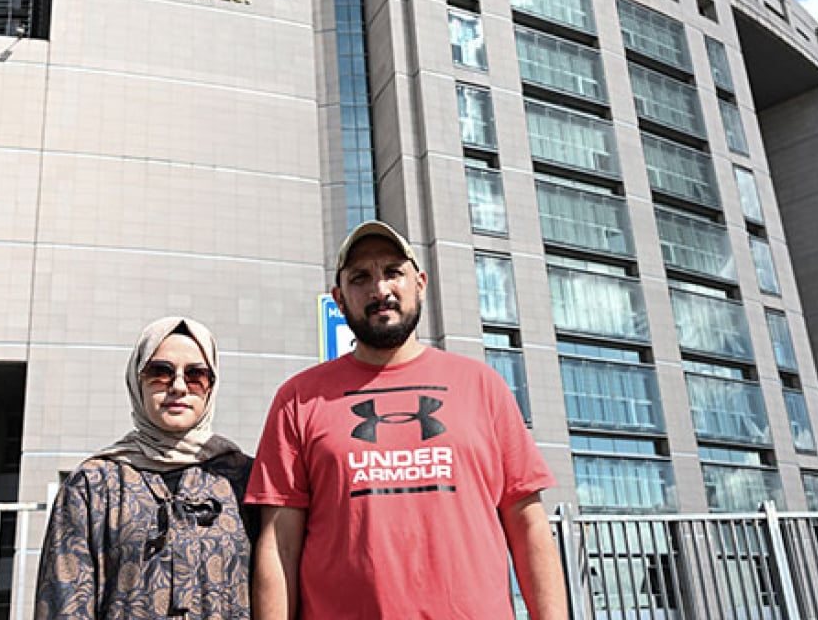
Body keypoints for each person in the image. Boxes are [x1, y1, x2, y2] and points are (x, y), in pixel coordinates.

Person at [246, 221, 569, 619]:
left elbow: (529, 524)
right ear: (339, 299)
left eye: (393, 272)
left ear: (420, 283)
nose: (380, 290)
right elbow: (280, 544)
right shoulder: (298, 399)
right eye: (360, 278)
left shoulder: (482, 385)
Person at [36, 316, 256, 619]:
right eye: (160, 372)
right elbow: (64, 603)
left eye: (196, 375)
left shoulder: (245, 479)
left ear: (211, 386)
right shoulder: (93, 485)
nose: (178, 387)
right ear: (136, 380)